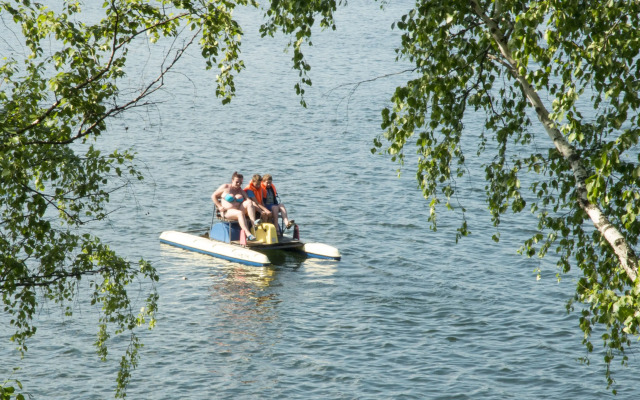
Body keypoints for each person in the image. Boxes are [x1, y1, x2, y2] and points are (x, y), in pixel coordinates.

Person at [211, 171, 259, 241]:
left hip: (238, 209)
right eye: (237, 182)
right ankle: (248, 234)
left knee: (249, 202)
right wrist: (219, 206)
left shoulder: (241, 190)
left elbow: (249, 200)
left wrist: (261, 209)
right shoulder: (226, 187)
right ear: (232, 180)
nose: (239, 184)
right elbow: (213, 196)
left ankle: (254, 224)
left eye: (240, 183)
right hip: (227, 212)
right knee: (240, 213)